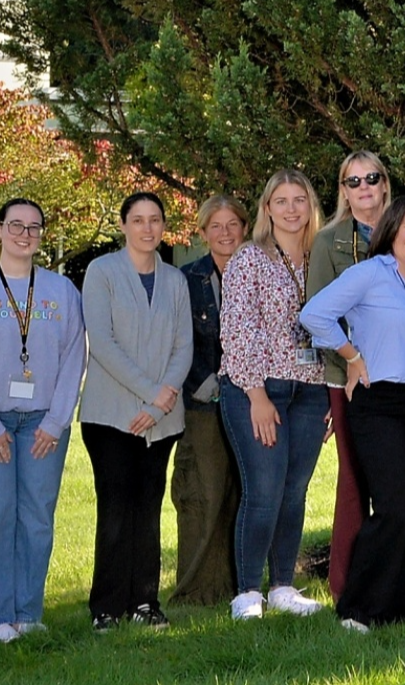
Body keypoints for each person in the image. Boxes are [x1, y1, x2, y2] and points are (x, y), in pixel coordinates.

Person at [302, 193, 405, 632]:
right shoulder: (370, 273)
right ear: (392, 228)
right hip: (378, 404)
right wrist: (352, 356)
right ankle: (357, 608)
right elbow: (314, 315)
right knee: (391, 507)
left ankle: (400, 606)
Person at [0, 199, 87, 643]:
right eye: (16, 225)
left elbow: (74, 357)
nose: (25, 235)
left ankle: (27, 611)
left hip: (42, 424)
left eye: (33, 227)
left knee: (37, 517)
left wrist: (57, 421)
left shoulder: (62, 291)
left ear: (42, 234)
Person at [219, 170, 332, 620]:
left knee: (294, 492)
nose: (291, 209)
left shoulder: (322, 258)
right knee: (264, 491)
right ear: (267, 208)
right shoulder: (249, 259)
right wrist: (256, 395)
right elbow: (237, 329)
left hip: (312, 390)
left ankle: (283, 586)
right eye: (280, 201)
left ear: (311, 205)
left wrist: (332, 393)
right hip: (258, 388)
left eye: (299, 199)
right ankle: (248, 593)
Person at [80, 192, 194, 631]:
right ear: (123, 225)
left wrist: (161, 402)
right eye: (138, 220)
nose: (148, 228)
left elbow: (183, 345)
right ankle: (106, 607)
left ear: (164, 226)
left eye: (155, 220)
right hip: (110, 415)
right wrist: (153, 394)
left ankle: (145, 601)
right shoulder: (102, 272)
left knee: (148, 508)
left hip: (162, 420)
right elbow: (102, 343)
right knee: (115, 509)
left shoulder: (175, 280)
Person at [307, 151, 392, 601]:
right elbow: (317, 315)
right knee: (355, 483)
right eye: (353, 181)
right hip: (349, 379)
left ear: (384, 184)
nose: (363, 188)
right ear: (343, 190)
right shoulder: (328, 241)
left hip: (400, 378)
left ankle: (390, 582)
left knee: (396, 484)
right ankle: (346, 589)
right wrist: (351, 360)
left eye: (371, 178)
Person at [172, 194, 247, 606]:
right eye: (216, 226)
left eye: (232, 224)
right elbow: (177, 342)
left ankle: (238, 586)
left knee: (243, 494)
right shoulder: (187, 279)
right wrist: (205, 384)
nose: (225, 233)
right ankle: (197, 590)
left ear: (245, 228)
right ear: (203, 233)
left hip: (253, 401)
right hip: (202, 402)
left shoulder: (257, 272)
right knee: (204, 493)